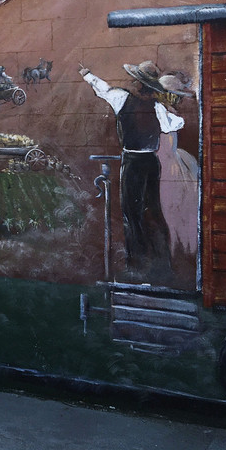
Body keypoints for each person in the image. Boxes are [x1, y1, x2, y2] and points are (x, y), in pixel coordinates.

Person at [80, 60, 188, 284]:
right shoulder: (157, 107)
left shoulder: (122, 98)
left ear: (138, 83)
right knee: (153, 213)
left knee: (132, 213)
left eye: (135, 81)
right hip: (150, 163)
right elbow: (174, 124)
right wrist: (170, 112)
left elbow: (103, 90)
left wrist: (87, 75)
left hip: (133, 162)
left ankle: (136, 267)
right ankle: (162, 267)